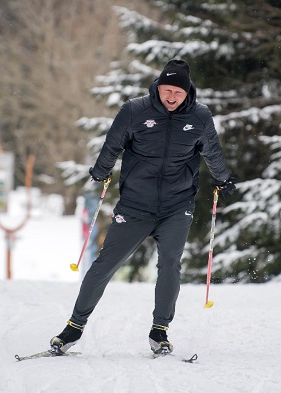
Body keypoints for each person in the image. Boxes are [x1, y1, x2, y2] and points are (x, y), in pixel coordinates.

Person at [50, 59, 236, 356]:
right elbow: (113, 143)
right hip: (136, 204)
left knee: (170, 265)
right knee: (105, 264)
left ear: (187, 93)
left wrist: (223, 179)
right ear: (158, 88)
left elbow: (211, 149)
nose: (172, 97)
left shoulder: (200, 116)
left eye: (178, 92)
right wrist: (101, 171)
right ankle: (74, 325)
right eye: (167, 90)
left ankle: (159, 330)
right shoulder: (135, 110)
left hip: (177, 205)